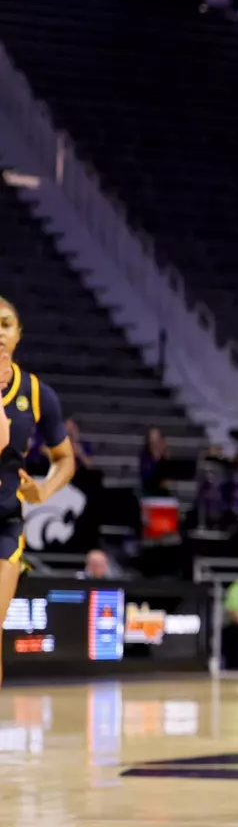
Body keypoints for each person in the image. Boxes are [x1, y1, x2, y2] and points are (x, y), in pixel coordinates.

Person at [0, 296, 74, 690]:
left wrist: (43, 491)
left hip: (5, 525)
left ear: (18, 334)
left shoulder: (37, 393)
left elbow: (65, 459)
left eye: (6, 323)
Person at [139, 427, 172, 496]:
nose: (155, 440)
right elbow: (146, 474)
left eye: (157, 437)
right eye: (153, 437)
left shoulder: (164, 455)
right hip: (148, 489)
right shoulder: (145, 455)